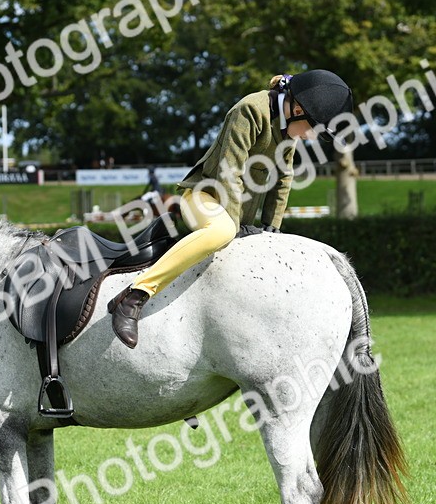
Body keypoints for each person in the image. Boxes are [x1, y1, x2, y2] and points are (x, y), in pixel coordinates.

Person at [108, 70, 354, 348]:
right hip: (203, 196)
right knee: (221, 231)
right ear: (298, 110)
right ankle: (135, 295)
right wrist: (236, 226)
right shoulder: (250, 110)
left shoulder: (288, 129)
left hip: (235, 214)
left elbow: (283, 177)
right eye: (315, 130)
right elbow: (230, 171)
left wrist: (271, 228)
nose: (312, 138)